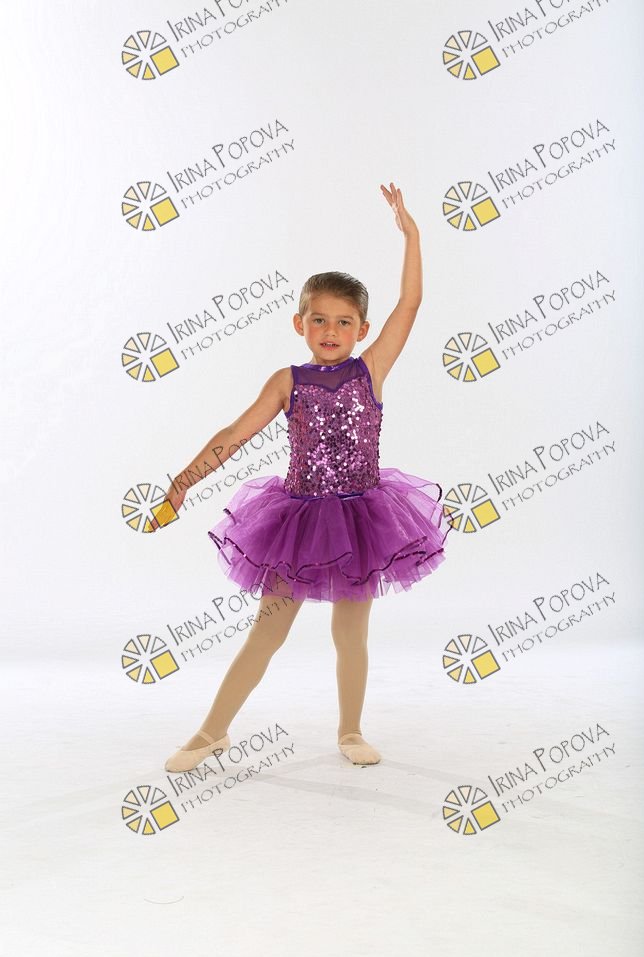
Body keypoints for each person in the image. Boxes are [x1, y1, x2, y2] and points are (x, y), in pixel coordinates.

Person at [150, 182, 455, 772]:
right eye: (319, 320)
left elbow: (411, 304)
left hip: (363, 520)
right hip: (297, 522)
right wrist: (186, 478)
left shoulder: (371, 369)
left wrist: (411, 236)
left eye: (344, 321)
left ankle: (351, 730)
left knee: (351, 634)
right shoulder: (288, 381)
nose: (331, 330)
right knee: (267, 632)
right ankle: (211, 732)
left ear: (362, 329)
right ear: (300, 323)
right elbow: (234, 433)